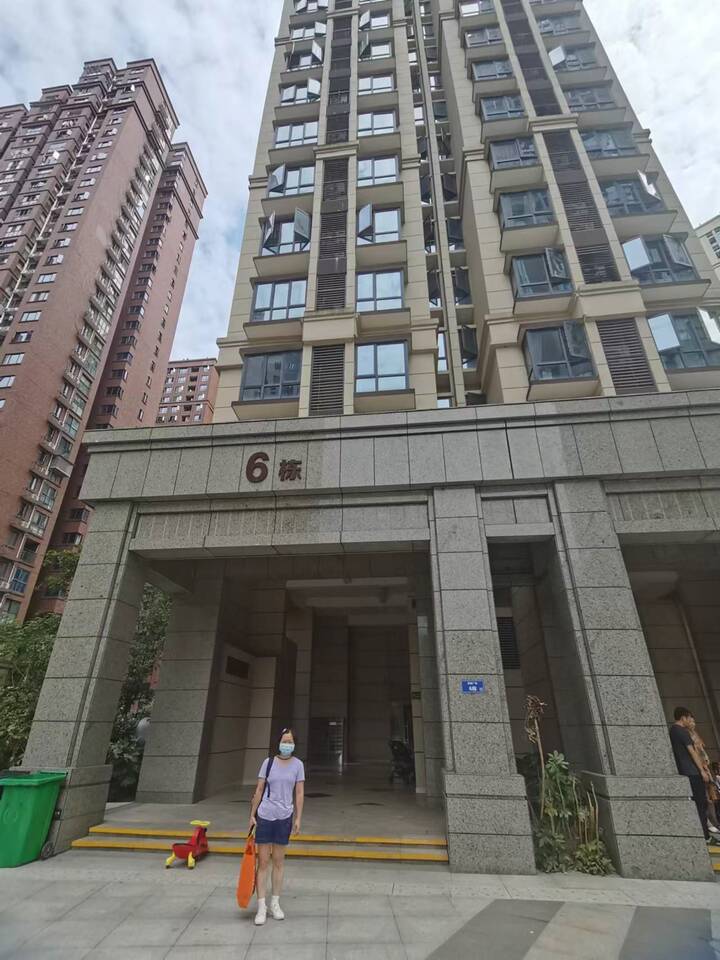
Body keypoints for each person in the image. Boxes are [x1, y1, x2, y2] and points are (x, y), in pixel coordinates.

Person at [248, 727, 305, 926]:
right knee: (263, 862)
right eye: (284, 741)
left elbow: (299, 793)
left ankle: (275, 903)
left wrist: (298, 818)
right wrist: (252, 814)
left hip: (284, 817)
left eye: (290, 742)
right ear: (278, 742)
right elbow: (259, 789)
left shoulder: (298, 765)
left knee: (279, 862)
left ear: (294, 744)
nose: (287, 744)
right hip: (265, 815)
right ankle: (261, 906)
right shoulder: (268, 763)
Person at [670, 707, 711, 842]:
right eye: (690, 718)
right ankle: (705, 836)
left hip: (684, 772)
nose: (691, 721)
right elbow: (692, 752)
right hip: (693, 772)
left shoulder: (672, 731)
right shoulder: (682, 731)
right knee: (701, 804)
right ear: (683, 718)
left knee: (696, 804)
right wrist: (702, 771)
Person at [688, 717, 720, 836]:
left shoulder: (695, 734)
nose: (693, 723)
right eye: (691, 721)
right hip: (699, 770)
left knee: (710, 798)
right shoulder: (687, 735)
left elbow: (703, 752)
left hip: (705, 768)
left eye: (693, 721)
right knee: (705, 799)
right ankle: (709, 823)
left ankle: (714, 822)